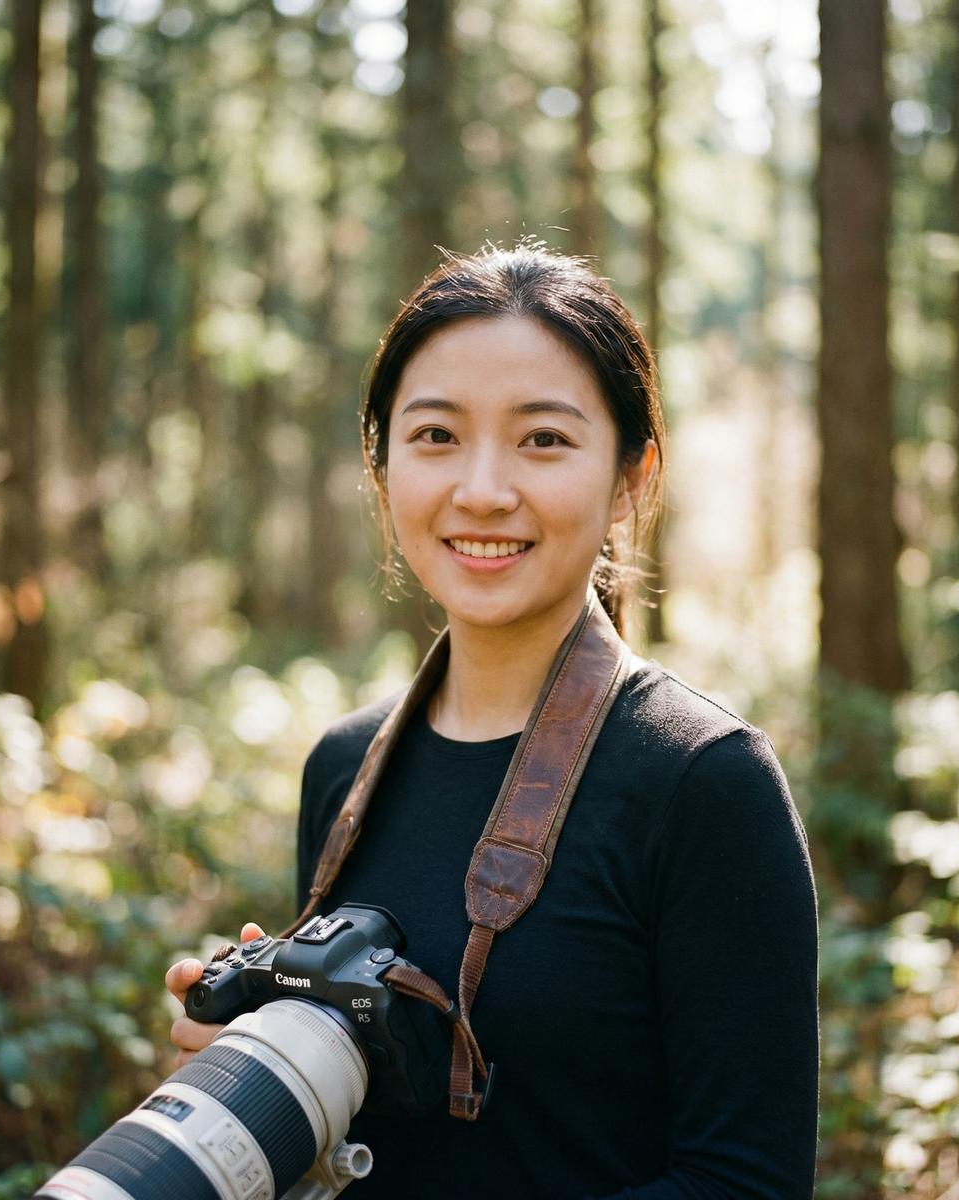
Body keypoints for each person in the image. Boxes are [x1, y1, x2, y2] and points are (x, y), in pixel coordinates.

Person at [166, 242, 819, 1199]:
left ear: (631, 477)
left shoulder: (703, 780)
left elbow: (747, 1185)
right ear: (382, 465)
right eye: (436, 436)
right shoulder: (344, 768)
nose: (481, 489)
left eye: (543, 439)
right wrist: (253, 1084)